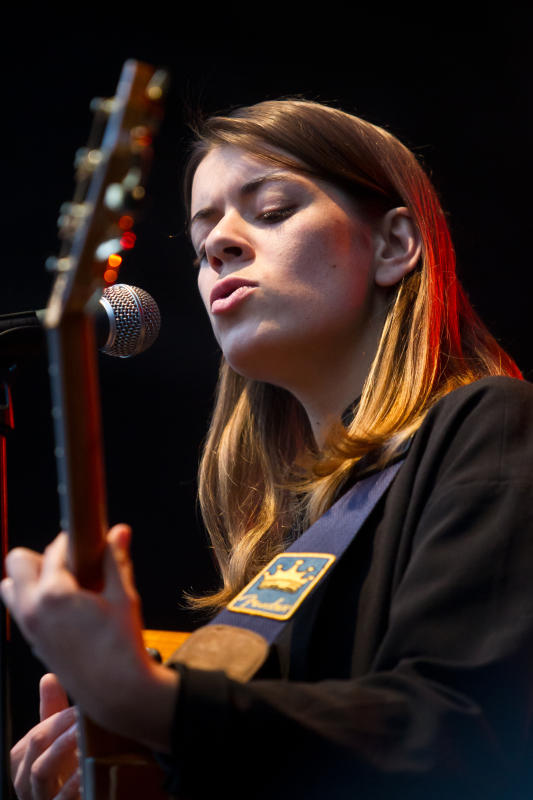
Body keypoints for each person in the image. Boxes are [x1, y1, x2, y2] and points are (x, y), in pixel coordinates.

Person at [3, 98, 533, 799]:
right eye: (202, 241)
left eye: (273, 210)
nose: (220, 243)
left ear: (393, 245)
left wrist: (153, 705)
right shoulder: (291, 528)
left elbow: (465, 736)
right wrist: (138, 768)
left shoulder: (493, 424)